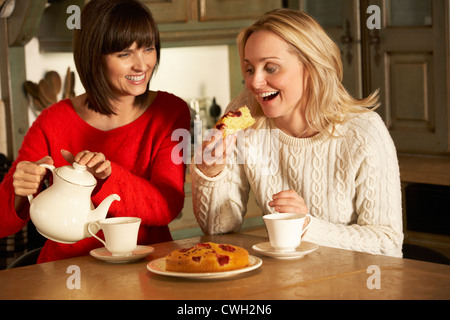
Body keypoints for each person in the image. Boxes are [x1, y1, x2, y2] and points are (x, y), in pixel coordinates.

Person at [191, 8, 403, 257]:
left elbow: (387, 243)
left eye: (271, 68)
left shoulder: (364, 132)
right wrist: (210, 173)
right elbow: (219, 230)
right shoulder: (244, 117)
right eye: (250, 69)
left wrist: (306, 226)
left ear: (310, 67)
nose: (255, 82)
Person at [0, 0, 190, 263]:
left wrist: (108, 176)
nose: (141, 65)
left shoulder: (171, 113)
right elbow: (2, 222)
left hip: (149, 268)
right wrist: (19, 190)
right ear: (93, 56)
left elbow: (168, 205)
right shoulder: (52, 121)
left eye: (148, 49)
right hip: (68, 273)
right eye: (124, 54)